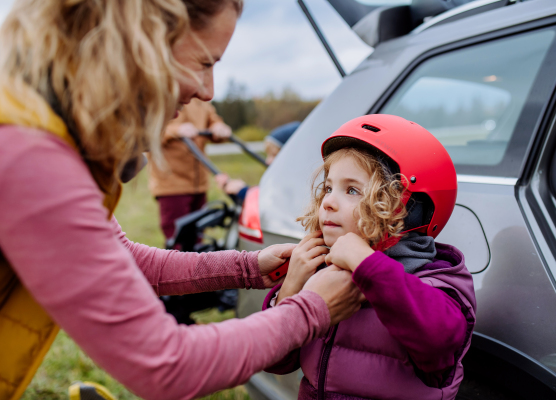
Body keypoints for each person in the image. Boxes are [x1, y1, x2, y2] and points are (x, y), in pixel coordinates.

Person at [0, 1, 364, 400]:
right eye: (204, 63)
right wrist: (313, 309)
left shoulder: (38, 137)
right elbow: (168, 367)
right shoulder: (29, 160)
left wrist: (248, 267)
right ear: (140, 44)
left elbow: (127, 261)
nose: (207, 91)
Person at [262, 114, 477, 399]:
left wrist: (366, 264)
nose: (327, 201)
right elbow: (277, 362)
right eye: (328, 187)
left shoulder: (435, 280)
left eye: (352, 190)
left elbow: (438, 344)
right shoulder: (320, 270)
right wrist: (291, 288)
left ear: (408, 209)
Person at [148, 99, 232, 242]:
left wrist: (219, 127)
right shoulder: (161, 95)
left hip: (199, 183)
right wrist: (176, 130)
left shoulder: (200, 100)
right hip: (172, 184)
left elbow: (213, 120)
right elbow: (147, 130)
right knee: (177, 238)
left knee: (198, 234)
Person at [215, 120, 300, 202]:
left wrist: (245, 192)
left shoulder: (294, 188)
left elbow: (271, 205)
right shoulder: (283, 181)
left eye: (274, 155)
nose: (267, 161)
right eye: (268, 155)